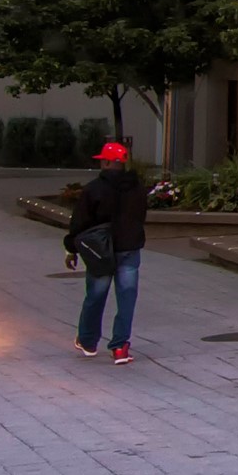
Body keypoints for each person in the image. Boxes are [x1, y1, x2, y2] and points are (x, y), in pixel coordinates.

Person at [66, 138, 151, 362]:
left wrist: (71, 248)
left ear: (105, 163)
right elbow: (140, 217)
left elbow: (80, 222)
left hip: (100, 251)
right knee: (127, 297)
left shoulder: (94, 189)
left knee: (95, 295)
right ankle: (120, 346)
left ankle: (87, 341)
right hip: (129, 248)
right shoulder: (138, 189)